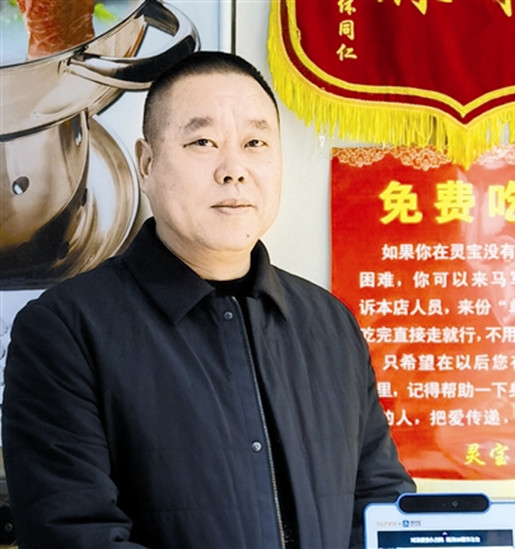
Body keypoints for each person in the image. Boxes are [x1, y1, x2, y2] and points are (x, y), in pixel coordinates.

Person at [2, 50, 415, 549]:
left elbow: (381, 511)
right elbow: (72, 535)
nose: (233, 170)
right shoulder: (65, 330)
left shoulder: (330, 325)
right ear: (147, 163)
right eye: (202, 142)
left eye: (255, 143)